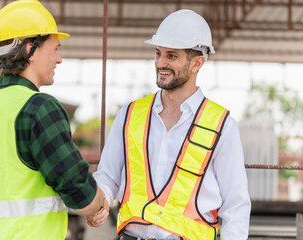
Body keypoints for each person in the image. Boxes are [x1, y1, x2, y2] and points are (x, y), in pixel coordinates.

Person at [89, 9, 251, 240]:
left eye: (171, 56)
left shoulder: (222, 126)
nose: (160, 63)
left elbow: (235, 207)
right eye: (158, 53)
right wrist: (97, 203)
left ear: (197, 63)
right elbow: (107, 177)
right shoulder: (130, 115)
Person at [0, 1, 108, 239]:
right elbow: (80, 193)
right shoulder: (39, 108)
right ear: (30, 49)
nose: (59, 59)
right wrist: (99, 204)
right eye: (55, 48)